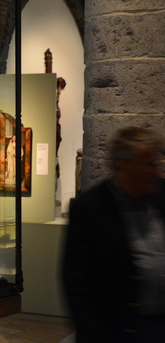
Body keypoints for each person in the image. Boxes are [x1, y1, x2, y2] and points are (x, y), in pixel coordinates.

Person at [62, 127, 165, 343]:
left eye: (156, 164)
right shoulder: (90, 209)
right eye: (148, 165)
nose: (156, 172)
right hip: (122, 331)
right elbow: (78, 284)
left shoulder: (160, 196)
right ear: (122, 167)